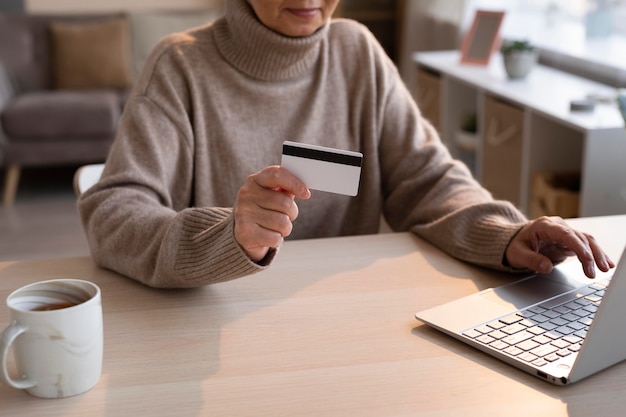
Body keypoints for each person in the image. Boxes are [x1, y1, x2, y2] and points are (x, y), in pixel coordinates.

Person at [77, 0, 614, 289]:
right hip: (214, 319)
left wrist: (506, 233)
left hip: (340, 312)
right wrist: (225, 236)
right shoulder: (180, 66)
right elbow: (114, 211)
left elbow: (427, 179)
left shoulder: (358, 51)